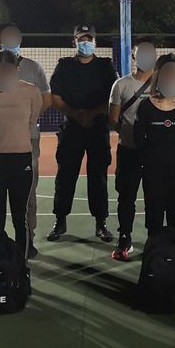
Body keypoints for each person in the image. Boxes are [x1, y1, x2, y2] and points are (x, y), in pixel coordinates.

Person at [0, 22, 52, 259]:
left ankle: (25, 248)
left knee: (24, 202)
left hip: (23, 151)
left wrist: (19, 128)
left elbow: (36, 113)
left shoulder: (31, 83)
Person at [46, 24, 118, 242]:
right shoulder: (64, 66)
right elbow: (55, 97)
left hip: (98, 129)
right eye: (81, 39)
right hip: (72, 129)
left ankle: (101, 223)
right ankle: (60, 221)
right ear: (74, 42)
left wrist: (92, 114)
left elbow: (113, 97)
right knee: (65, 177)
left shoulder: (105, 66)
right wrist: (76, 114)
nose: (85, 43)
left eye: (89, 39)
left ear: (95, 42)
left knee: (98, 178)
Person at [107, 37, 157, 260]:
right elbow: (113, 119)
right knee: (126, 197)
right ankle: (124, 236)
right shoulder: (121, 84)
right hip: (129, 150)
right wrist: (130, 133)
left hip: (155, 153)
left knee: (155, 197)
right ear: (134, 56)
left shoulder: (162, 82)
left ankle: (155, 239)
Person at [134, 54, 175, 233]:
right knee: (154, 218)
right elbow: (139, 138)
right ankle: (154, 248)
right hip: (153, 170)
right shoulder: (146, 106)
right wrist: (151, 159)